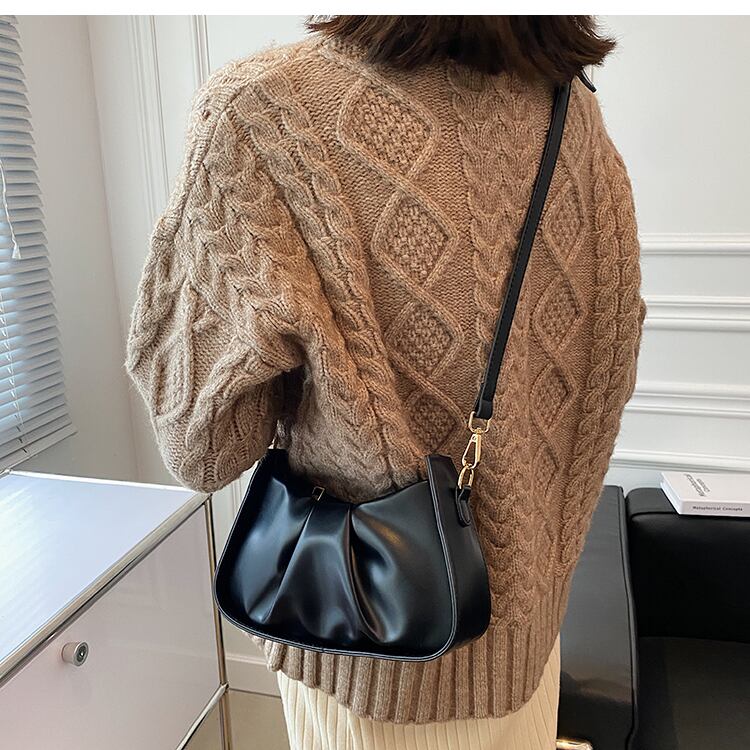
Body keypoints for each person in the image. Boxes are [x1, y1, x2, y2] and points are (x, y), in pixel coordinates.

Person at [126, 15, 646, 750]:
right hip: (530, 653)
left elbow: (202, 446)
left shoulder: (264, 112)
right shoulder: (572, 110)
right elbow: (609, 364)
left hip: (373, 662)